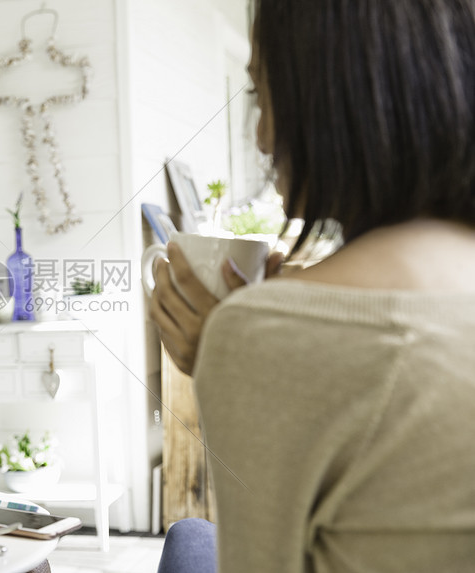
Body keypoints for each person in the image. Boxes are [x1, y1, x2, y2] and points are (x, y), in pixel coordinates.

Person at [151, 0, 475, 571]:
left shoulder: (266, 331)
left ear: (335, 94)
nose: (260, 138)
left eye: (261, 95)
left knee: (190, 538)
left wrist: (230, 354)